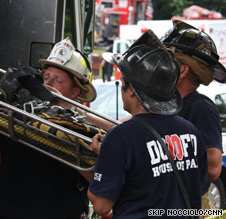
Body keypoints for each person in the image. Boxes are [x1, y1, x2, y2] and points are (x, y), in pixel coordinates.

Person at [0, 38, 98, 219]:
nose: (48, 84)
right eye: (46, 77)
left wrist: (61, 126)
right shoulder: (16, 116)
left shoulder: (82, 129)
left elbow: (97, 180)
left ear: (75, 92)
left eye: (58, 80)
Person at [87, 30, 208, 218]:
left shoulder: (121, 137)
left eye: (122, 82)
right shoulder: (191, 132)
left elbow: (101, 205)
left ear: (133, 91)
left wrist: (102, 162)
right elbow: (196, 190)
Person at [161, 20, 226, 211]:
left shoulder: (201, 108)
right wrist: (81, 114)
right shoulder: (164, 105)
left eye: (167, 61)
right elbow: (124, 127)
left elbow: (213, 168)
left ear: (182, 70)